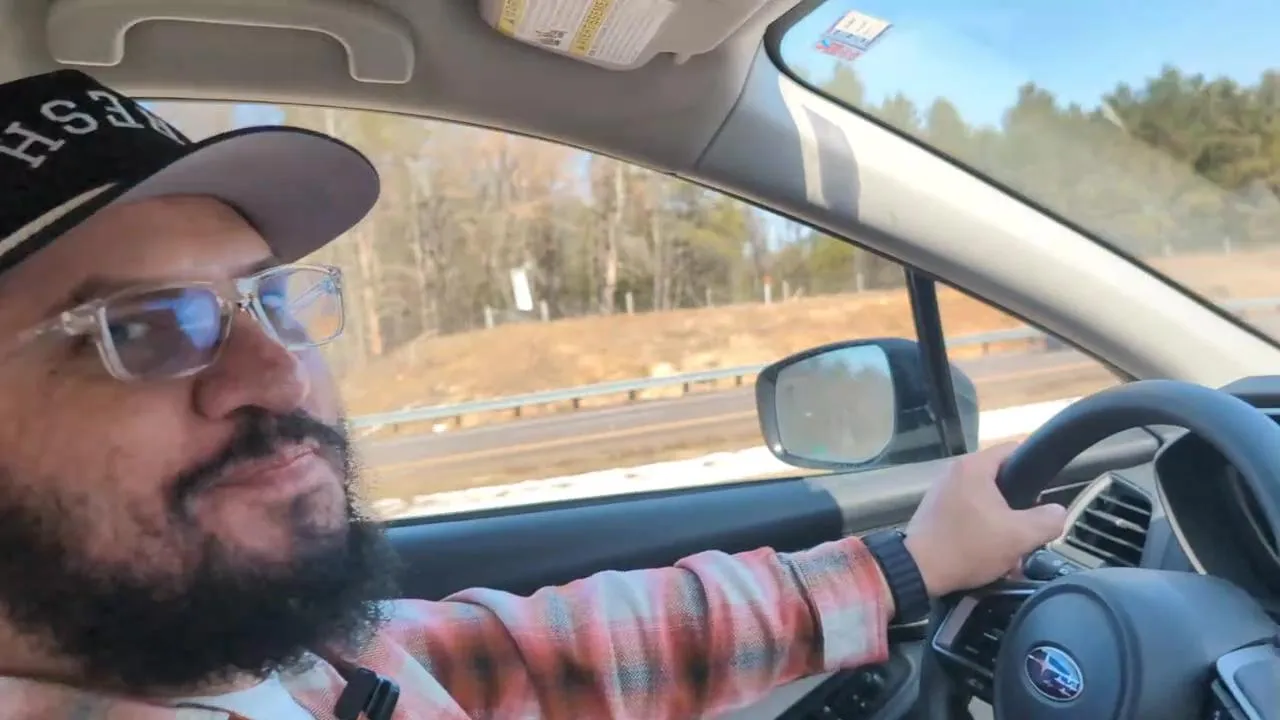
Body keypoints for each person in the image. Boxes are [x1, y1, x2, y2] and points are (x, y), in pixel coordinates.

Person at [0, 69, 1068, 720]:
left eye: (270, 300)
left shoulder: (267, 659)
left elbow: (537, 652)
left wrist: (905, 567)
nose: (278, 372)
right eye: (142, 328)